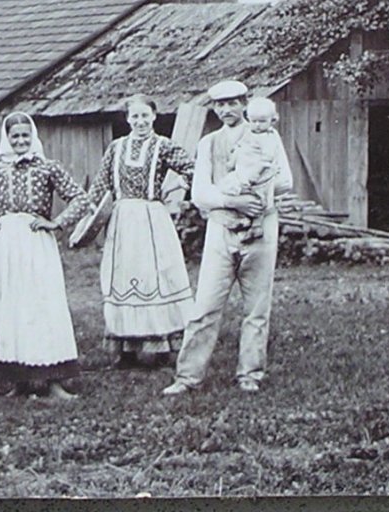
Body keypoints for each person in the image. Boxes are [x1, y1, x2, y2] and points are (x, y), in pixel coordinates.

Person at [164, 83, 294, 396]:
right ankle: (188, 376)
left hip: (262, 227)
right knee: (205, 306)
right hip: (221, 229)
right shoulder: (209, 143)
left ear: (244, 104)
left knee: (257, 307)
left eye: (233, 104)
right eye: (220, 105)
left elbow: (286, 181)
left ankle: (250, 373)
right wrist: (233, 200)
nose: (226, 111)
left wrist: (256, 191)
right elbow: (200, 193)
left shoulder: (267, 136)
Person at [0, 112, 86, 400]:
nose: (21, 141)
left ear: (33, 136)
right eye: (15, 136)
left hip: (36, 240)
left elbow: (80, 198)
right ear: (6, 138)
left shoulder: (47, 167)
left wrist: (56, 223)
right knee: (9, 306)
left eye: (26, 135)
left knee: (43, 304)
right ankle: (19, 380)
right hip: (2, 243)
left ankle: (53, 380)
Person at [83, 94, 196, 368]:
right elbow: (100, 184)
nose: (140, 121)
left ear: (154, 116)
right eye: (135, 116)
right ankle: (126, 351)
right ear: (127, 118)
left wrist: (177, 189)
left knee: (155, 278)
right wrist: (85, 214)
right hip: (122, 220)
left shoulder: (163, 145)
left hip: (152, 219)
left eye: (145, 115)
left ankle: (162, 348)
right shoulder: (116, 147)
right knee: (124, 279)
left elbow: (193, 169)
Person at [214, 110, 284, 244]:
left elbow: (267, 159)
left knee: (258, 198)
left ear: (272, 121)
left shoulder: (270, 138)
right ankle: (240, 220)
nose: (257, 125)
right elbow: (240, 147)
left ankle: (256, 226)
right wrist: (232, 161)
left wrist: (254, 174)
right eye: (254, 121)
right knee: (229, 189)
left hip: (259, 174)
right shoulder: (249, 134)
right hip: (243, 170)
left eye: (262, 121)